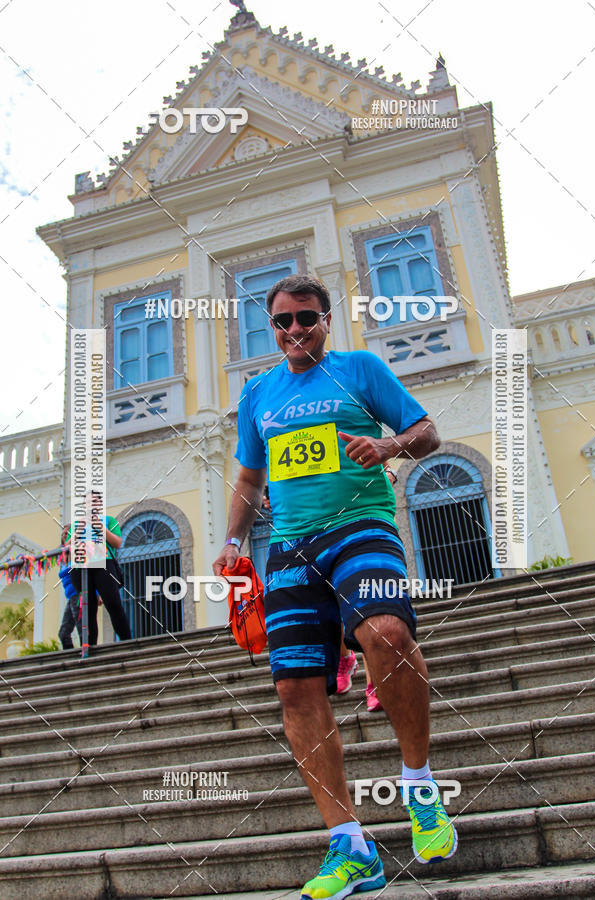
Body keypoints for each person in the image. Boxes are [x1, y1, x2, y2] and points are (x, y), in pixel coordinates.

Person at [213, 274, 457, 899]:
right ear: (271, 328)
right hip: (292, 549)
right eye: (282, 322)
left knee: (387, 631)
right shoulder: (258, 394)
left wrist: (389, 444)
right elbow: (248, 477)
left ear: (326, 318)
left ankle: (420, 787)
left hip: (360, 526)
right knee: (293, 686)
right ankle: (350, 848)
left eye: (307, 318)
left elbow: (428, 431)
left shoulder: (361, 369)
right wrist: (234, 544)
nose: (295, 330)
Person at [337, 466, 398, 711]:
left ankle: (374, 683)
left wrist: (381, 480)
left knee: (365, 608)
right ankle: (345, 658)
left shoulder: (354, 432)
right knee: (331, 606)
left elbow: (389, 472)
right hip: (324, 527)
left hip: (366, 527)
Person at [68, 494, 131, 646]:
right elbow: (66, 548)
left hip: (104, 562)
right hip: (81, 566)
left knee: (113, 603)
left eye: (94, 502)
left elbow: (117, 543)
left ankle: (127, 642)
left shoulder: (109, 520)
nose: (91, 505)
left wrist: (101, 529)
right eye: (88, 502)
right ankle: (90, 646)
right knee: (88, 608)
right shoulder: (77, 524)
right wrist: (78, 531)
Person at [57, 524, 83, 650]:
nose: (64, 535)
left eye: (68, 533)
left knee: (81, 626)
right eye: (63, 534)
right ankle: (72, 657)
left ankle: (86, 653)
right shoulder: (62, 555)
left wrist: (96, 593)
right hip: (71, 595)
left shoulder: (77, 551)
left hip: (78, 593)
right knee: (63, 633)